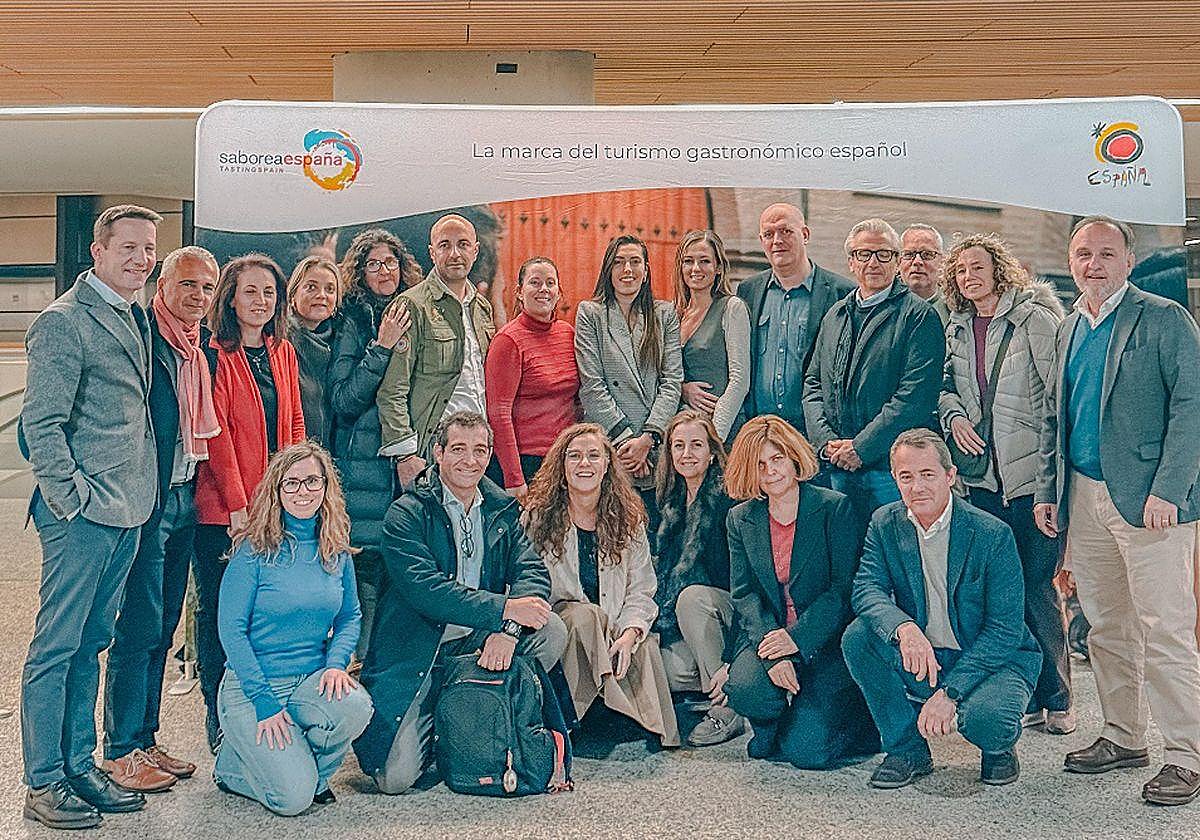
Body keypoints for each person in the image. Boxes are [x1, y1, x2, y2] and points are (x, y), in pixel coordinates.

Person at [1035, 216, 1200, 806]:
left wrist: (1171, 491)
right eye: (1083, 253)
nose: (1093, 263)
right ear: (1071, 259)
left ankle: (1185, 754)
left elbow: (1191, 407)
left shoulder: (1163, 318)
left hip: (1151, 500)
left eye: (1106, 253)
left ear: (1128, 260)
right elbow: (1061, 416)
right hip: (1083, 494)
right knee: (1106, 627)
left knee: (1166, 630)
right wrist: (1050, 491)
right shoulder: (1070, 325)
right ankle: (1125, 736)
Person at [20, 204, 161, 829]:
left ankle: (78, 764)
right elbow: (41, 424)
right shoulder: (64, 322)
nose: (140, 258)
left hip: (128, 508)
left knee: (92, 644)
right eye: (128, 247)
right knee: (56, 647)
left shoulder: (131, 314)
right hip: (82, 513)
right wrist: (68, 498)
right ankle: (43, 780)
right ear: (98, 251)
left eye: (148, 247)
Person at [353, 411, 567, 793]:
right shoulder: (406, 513)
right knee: (394, 780)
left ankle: (474, 710)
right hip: (419, 652)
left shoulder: (500, 507)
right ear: (438, 452)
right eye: (459, 450)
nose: (470, 460)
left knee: (551, 629)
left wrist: (510, 629)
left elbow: (532, 573)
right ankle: (446, 719)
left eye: (480, 450)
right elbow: (426, 589)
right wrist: (503, 609)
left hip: (477, 643)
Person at [842, 429, 1041, 789]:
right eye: (906, 477)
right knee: (858, 638)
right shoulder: (884, 523)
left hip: (992, 658)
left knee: (987, 721)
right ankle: (906, 750)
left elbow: (1005, 630)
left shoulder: (991, 533)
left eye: (927, 474)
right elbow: (866, 587)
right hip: (929, 652)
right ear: (895, 480)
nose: (917, 486)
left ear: (950, 476)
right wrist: (904, 629)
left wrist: (950, 693)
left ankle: (998, 749)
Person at [938, 233, 1072, 734]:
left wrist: (1049, 487)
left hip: (1029, 479)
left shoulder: (1034, 318)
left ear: (999, 269)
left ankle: (1057, 698)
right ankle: (1023, 693)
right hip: (981, 481)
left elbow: (1057, 401)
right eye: (961, 271)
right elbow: (945, 390)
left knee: (1038, 586)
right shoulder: (956, 327)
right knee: (1000, 592)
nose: (969, 277)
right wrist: (953, 419)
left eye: (978, 267)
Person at [101, 246, 220, 794]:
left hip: (184, 498)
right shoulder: (145, 337)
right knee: (139, 624)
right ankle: (120, 748)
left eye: (206, 288)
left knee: (167, 622)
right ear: (163, 285)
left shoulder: (199, 350)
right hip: (146, 501)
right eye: (188, 285)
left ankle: (146, 737)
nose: (198, 297)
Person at [214, 441, 373, 816]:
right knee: (292, 801)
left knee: (356, 707)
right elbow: (231, 631)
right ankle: (232, 767)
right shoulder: (253, 551)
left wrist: (336, 663)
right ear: (276, 491)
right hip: (253, 688)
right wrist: (264, 702)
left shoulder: (334, 549)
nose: (303, 491)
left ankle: (307, 772)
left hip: (310, 681)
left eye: (312, 481)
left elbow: (350, 616)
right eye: (292, 483)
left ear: (326, 487)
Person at [194, 253, 307, 754]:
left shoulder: (283, 351)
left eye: (269, 293)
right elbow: (215, 433)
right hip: (226, 512)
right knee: (223, 618)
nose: (261, 302)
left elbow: (296, 423)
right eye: (250, 292)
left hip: (276, 510)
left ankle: (262, 714)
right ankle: (218, 723)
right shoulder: (215, 353)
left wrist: (297, 487)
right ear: (230, 299)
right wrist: (242, 506)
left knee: (268, 618)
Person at [723, 415, 878, 767]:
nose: (771, 471)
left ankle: (837, 717)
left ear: (793, 457)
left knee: (809, 754)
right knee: (744, 688)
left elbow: (843, 590)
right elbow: (744, 593)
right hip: (771, 635)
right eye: (760, 465)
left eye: (777, 459)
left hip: (821, 638)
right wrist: (774, 650)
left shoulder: (832, 507)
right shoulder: (740, 518)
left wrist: (798, 638)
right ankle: (773, 722)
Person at [522, 423, 680, 747]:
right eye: (575, 456)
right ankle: (575, 716)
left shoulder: (628, 516)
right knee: (586, 616)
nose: (585, 464)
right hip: (563, 622)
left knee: (643, 643)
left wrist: (629, 633)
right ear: (561, 465)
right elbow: (525, 581)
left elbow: (642, 589)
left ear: (607, 464)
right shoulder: (538, 517)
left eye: (594, 455)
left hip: (615, 624)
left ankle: (621, 716)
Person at [803, 218, 945, 524]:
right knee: (843, 557)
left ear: (896, 261)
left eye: (884, 254)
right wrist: (826, 443)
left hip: (889, 470)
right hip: (836, 466)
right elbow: (813, 384)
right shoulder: (836, 315)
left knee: (895, 555)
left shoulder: (919, 316)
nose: (873, 263)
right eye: (864, 254)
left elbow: (914, 397)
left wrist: (861, 447)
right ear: (851, 262)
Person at [328, 229, 413, 661]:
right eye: (374, 264)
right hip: (362, 474)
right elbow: (344, 399)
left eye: (391, 263)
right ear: (360, 272)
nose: (385, 271)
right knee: (363, 590)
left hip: (408, 470)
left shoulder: (418, 313)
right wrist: (381, 347)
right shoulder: (352, 321)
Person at [574, 234, 683, 533]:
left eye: (635, 262)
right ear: (608, 269)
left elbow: (672, 381)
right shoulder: (591, 314)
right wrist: (626, 443)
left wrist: (647, 439)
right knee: (614, 536)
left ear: (646, 270)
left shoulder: (664, 314)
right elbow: (592, 386)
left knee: (657, 537)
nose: (627, 270)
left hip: (655, 448)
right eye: (619, 262)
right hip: (613, 447)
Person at [377, 214, 495, 489]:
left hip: (476, 452)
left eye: (463, 244)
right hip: (431, 452)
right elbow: (392, 389)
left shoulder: (482, 308)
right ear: (432, 253)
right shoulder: (410, 305)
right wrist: (405, 455)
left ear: (475, 251)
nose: (455, 254)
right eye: (445, 245)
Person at [653, 410, 742, 746]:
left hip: (729, 612)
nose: (687, 454)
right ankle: (714, 684)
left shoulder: (729, 499)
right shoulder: (671, 500)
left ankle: (728, 707)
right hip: (689, 621)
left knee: (691, 597)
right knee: (660, 667)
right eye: (678, 446)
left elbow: (746, 583)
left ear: (711, 451)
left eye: (695, 445)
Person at [737, 203, 854, 433]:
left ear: (805, 234)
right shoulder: (748, 291)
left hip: (815, 432)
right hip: (759, 430)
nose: (777, 240)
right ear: (762, 241)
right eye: (769, 234)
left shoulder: (842, 293)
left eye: (786, 231)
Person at [484, 255, 580, 500]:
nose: (544, 289)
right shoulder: (508, 340)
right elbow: (498, 413)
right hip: (526, 464)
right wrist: (514, 478)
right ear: (519, 291)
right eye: (535, 283)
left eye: (550, 283)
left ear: (559, 292)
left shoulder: (567, 333)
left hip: (564, 460)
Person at [673, 230, 750, 443]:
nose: (696, 268)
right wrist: (682, 389)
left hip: (722, 432)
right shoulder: (674, 314)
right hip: (682, 433)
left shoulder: (732, 308)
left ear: (718, 268)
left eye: (704, 261)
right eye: (688, 261)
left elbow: (740, 381)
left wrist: (713, 438)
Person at [287, 256, 342, 446]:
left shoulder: (341, 342)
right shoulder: (279, 341)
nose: (321, 295)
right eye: (311, 287)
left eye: (330, 289)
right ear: (293, 295)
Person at [899, 224, 950, 324]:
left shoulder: (958, 310)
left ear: (943, 261)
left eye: (927, 254)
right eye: (909, 254)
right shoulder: (881, 307)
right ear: (898, 262)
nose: (917, 261)